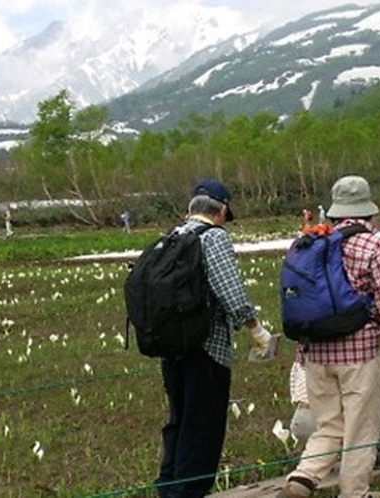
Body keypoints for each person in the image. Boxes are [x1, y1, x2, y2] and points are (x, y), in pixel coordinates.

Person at [278, 175, 380, 498]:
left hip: (314, 355)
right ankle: (355, 494)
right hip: (359, 355)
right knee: (360, 431)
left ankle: (302, 479)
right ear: (368, 209)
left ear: (335, 210)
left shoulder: (311, 241)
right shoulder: (373, 244)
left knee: (329, 425)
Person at [154, 178, 273, 498]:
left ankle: (169, 490)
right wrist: (256, 330)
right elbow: (229, 291)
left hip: (172, 345)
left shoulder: (172, 236)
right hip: (208, 347)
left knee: (178, 421)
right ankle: (189, 493)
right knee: (203, 426)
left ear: (189, 209)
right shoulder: (213, 237)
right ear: (221, 211)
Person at [288, 350, 380, 469]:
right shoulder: (350, 347)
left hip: (301, 422)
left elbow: (295, 396)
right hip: (335, 423)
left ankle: (314, 452)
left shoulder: (304, 352)